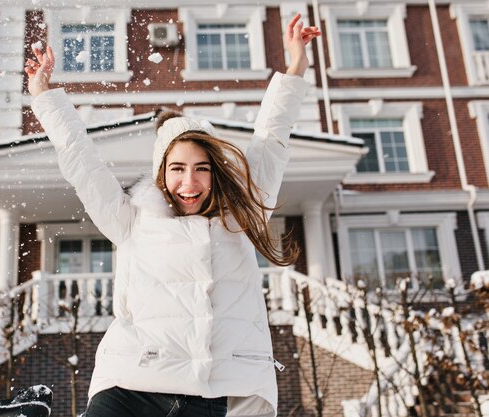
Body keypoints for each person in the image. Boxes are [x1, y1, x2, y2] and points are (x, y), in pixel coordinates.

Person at [23, 13, 320, 417]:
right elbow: (82, 162)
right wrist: (44, 95)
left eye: (202, 169)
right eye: (177, 169)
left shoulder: (243, 216)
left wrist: (296, 65)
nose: (190, 183)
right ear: (162, 172)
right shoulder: (131, 219)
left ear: (215, 173)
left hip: (218, 389)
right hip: (132, 383)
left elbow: (270, 139)